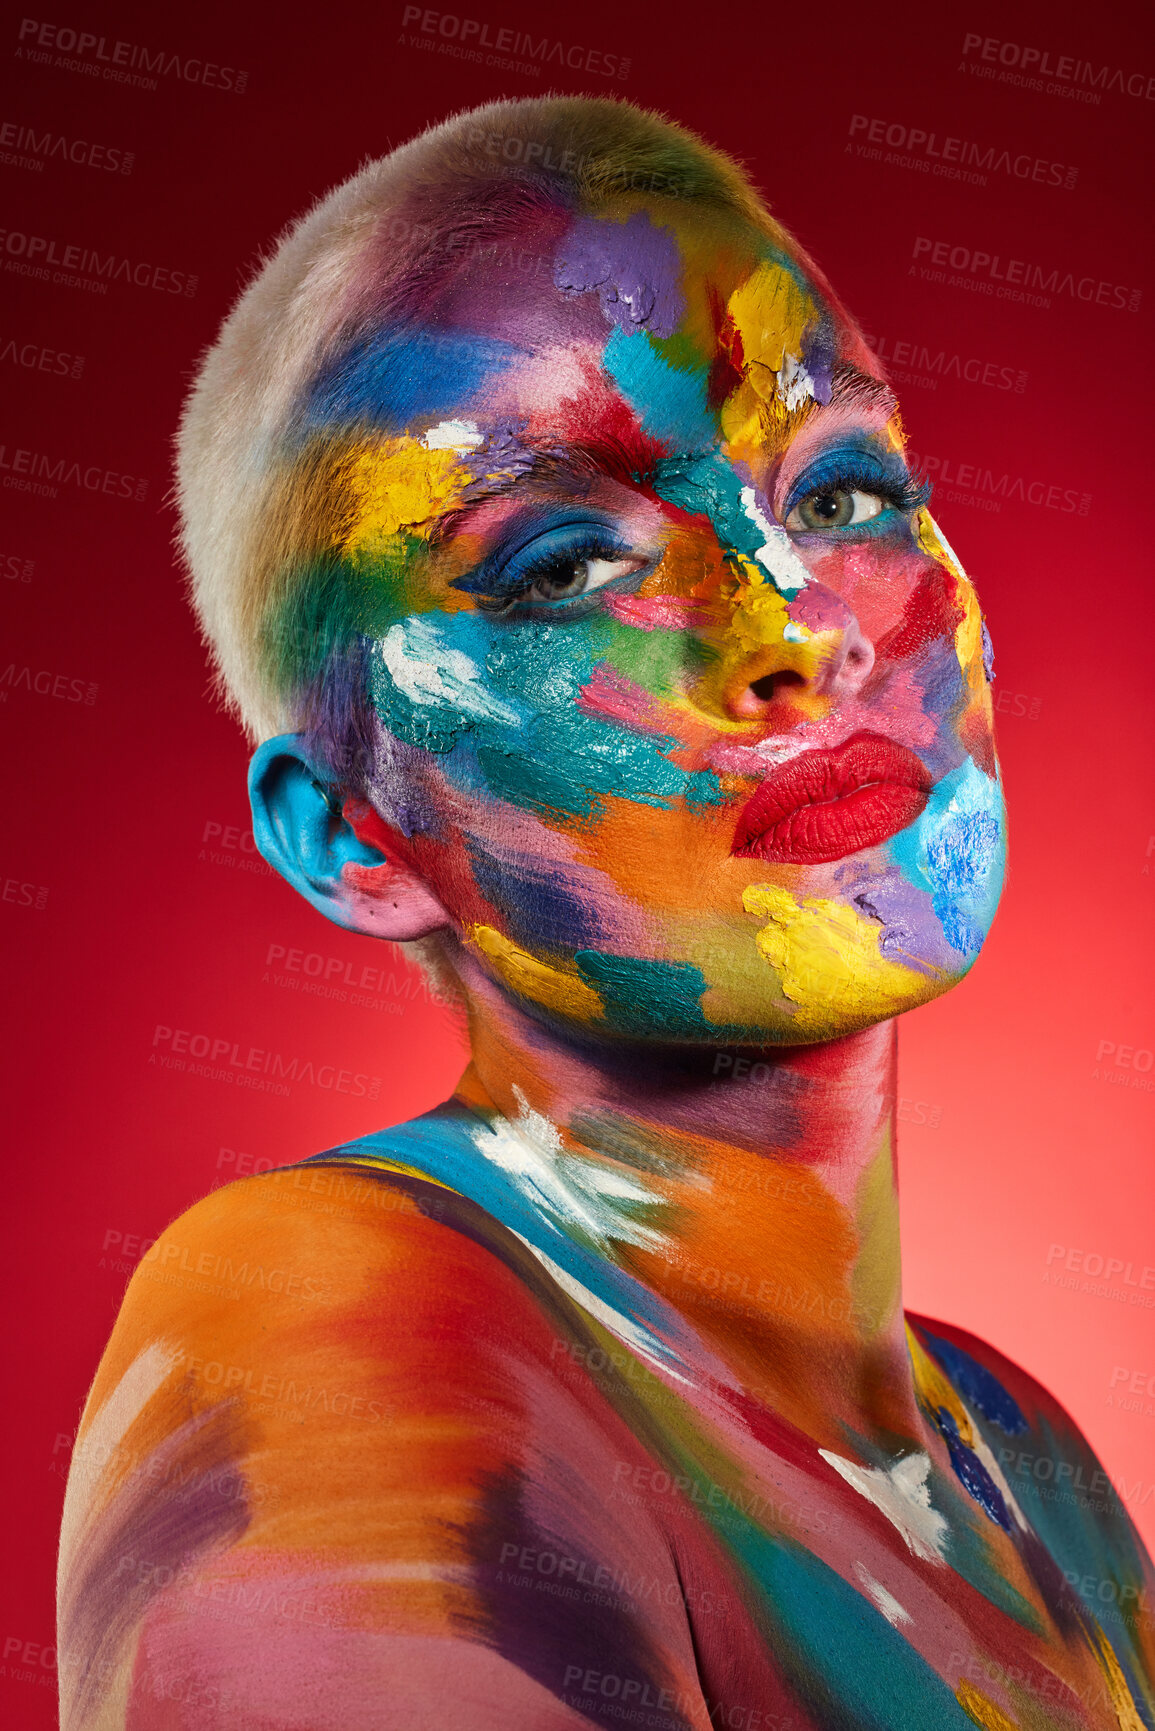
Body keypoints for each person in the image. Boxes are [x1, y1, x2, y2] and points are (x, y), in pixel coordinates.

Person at [58, 95, 1153, 1730]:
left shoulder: (1035, 1470)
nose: (796, 626)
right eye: (565, 564)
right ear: (355, 833)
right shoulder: (319, 1317)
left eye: (845, 491)